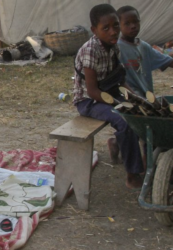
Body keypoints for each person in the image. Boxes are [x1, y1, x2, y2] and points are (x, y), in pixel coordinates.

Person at [73, 4, 144, 189]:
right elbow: (92, 91)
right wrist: (119, 104)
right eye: (106, 28)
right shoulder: (90, 50)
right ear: (94, 30)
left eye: (115, 26)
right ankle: (132, 173)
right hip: (89, 102)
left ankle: (119, 145)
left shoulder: (114, 48)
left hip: (107, 94)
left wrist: (134, 97)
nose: (113, 32)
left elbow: (119, 80)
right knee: (124, 119)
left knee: (138, 111)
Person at [117, 5, 173, 97]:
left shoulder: (144, 47)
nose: (133, 26)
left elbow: (169, 61)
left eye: (136, 22)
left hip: (148, 97)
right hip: (129, 98)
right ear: (119, 26)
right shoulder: (117, 48)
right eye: (127, 23)